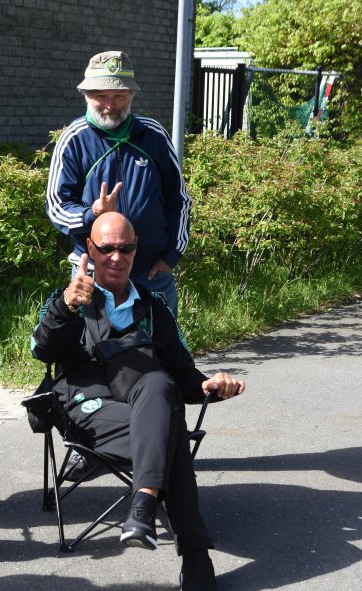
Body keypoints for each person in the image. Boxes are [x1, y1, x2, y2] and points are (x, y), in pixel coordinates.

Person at [31, 212, 244, 591]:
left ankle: (142, 509)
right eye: (107, 248)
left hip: (147, 411)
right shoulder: (71, 297)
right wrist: (65, 305)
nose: (117, 256)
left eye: (125, 247)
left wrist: (212, 384)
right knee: (171, 434)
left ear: (136, 250)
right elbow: (42, 350)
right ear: (90, 251)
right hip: (89, 414)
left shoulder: (153, 308)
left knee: (160, 383)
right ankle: (195, 557)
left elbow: (186, 378)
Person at [46, 50, 191, 319]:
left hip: (151, 276)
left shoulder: (154, 135)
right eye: (101, 96)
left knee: (161, 355)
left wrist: (171, 256)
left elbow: (179, 199)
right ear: (87, 96)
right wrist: (92, 215)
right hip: (93, 276)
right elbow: (56, 207)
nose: (110, 104)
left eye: (119, 96)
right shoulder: (74, 140)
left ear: (131, 96)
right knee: (92, 354)